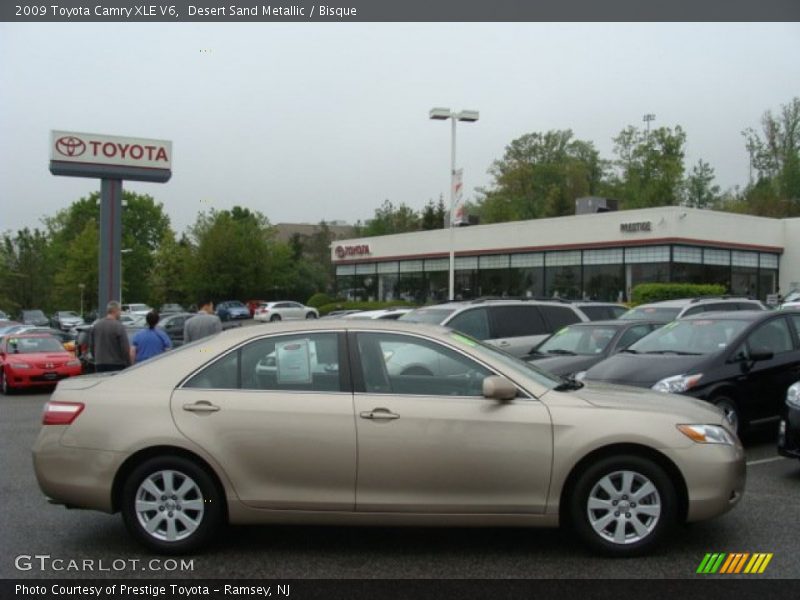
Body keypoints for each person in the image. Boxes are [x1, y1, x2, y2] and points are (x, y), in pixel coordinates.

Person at [91, 300, 131, 372]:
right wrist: (128, 363)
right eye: (120, 311)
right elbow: (125, 348)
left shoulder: (96, 326)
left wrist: (96, 358)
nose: (120, 313)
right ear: (116, 310)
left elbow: (92, 346)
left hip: (99, 363)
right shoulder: (119, 326)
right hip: (116, 364)